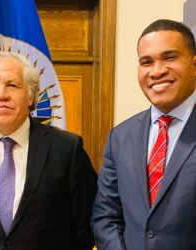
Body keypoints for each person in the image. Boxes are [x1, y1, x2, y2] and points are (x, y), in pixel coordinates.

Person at [0, 51, 97, 250]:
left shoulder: (67, 149)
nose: (1, 95)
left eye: (12, 85)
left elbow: (85, 223)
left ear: (31, 96)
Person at [91, 19, 196, 250]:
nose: (157, 71)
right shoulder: (120, 136)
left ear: (194, 64)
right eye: (146, 62)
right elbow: (105, 216)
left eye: (170, 57)